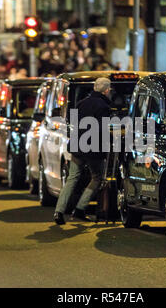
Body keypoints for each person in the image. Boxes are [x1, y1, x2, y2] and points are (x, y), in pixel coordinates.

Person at [53, 78, 112, 225]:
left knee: (72, 178)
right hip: (93, 149)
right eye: (109, 89)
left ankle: (59, 211)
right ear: (106, 90)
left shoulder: (81, 103)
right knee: (97, 177)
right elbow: (102, 131)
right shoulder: (104, 106)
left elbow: (73, 125)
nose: (110, 91)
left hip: (77, 147)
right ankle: (80, 209)